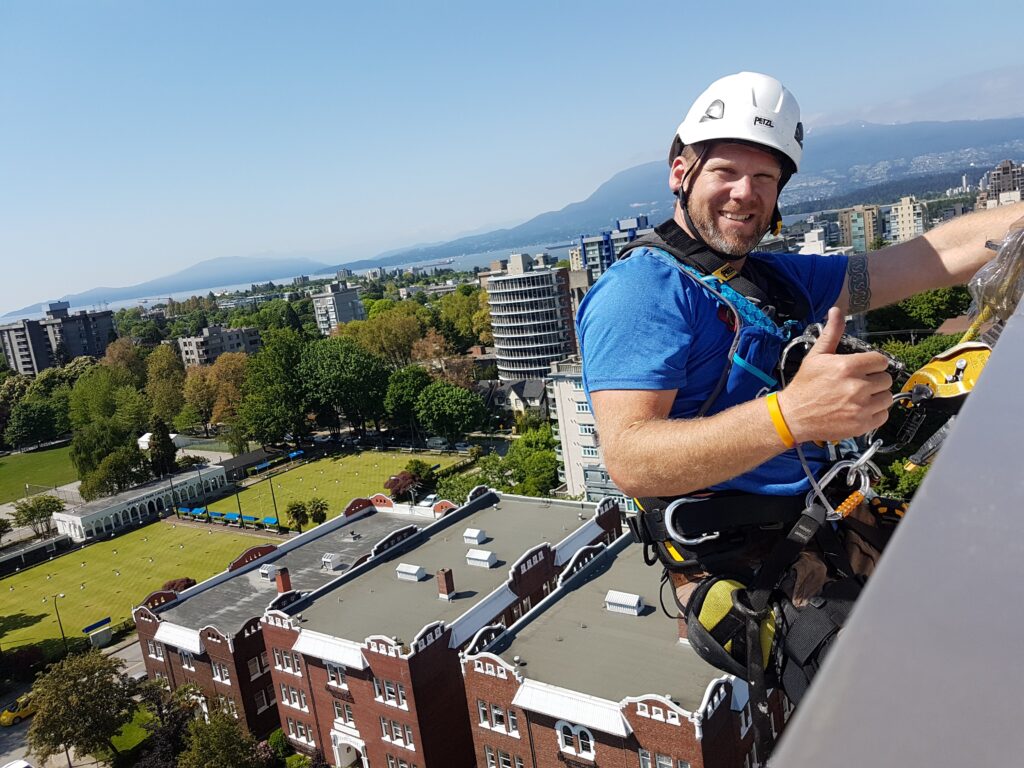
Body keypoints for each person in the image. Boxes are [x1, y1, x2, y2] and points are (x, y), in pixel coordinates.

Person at [576, 71, 1024, 721]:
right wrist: (791, 415)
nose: (745, 193)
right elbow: (631, 459)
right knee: (915, 704)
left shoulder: (771, 280)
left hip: (826, 523)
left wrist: (1017, 222)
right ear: (681, 171)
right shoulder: (641, 293)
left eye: (765, 179)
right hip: (745, 568)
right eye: (727, 170)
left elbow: (924, 257)